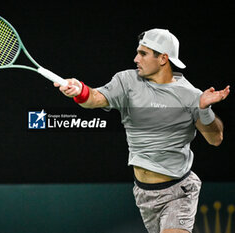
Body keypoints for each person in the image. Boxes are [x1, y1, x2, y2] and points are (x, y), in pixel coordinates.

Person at [54, 28, 230, 233]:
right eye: (138, 52)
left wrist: (204, 110)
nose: (136, 58)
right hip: (144, 193)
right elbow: (95, 98)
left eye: (143, 54)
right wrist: (80, 90)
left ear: (163, 58)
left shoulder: (191, 96)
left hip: (179, 192)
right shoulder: (127, 81)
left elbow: (215, 139)